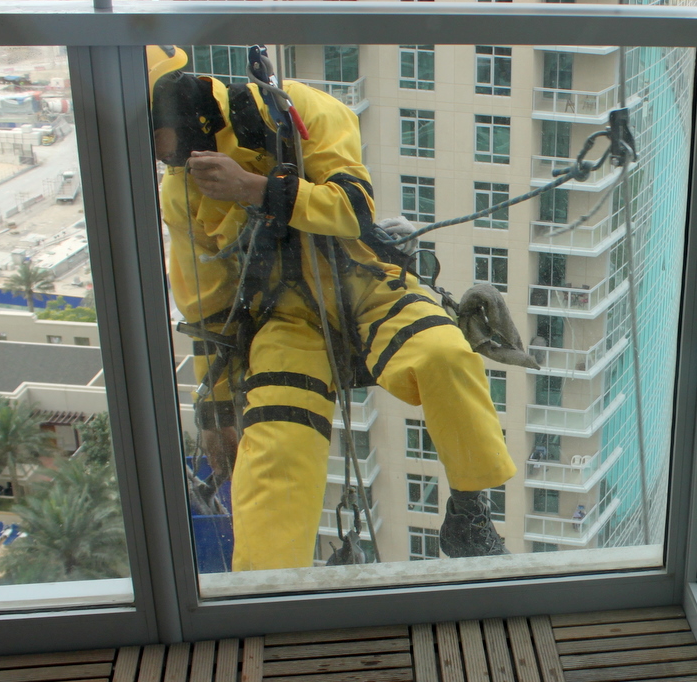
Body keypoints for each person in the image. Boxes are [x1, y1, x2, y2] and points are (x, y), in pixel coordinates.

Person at [150, 45, 514, 569]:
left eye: (156, 138)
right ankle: (267, 588)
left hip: (365, 283)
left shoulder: (296, 110)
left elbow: (353, 208)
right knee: (276, 448)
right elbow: (207, 306)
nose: (163, 157)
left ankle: (469, 512)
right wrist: (217, 410)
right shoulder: (182, 191)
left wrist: (253, 188)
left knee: (445, 356)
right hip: (285, 319)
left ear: (176, 108)